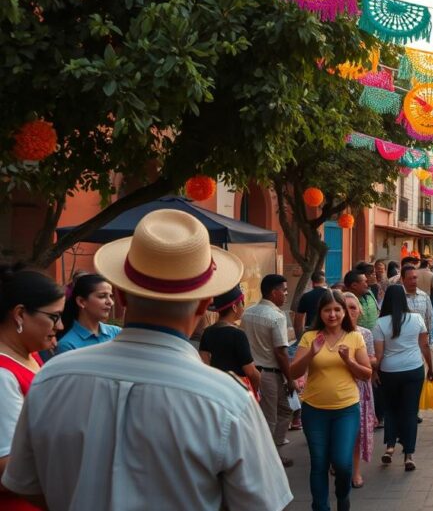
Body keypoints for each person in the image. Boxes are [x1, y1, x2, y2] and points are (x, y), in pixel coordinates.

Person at [2, 209, 291, 510]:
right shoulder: (227, 400)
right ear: (205, 304)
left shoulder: (52, 378)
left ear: (122, 296)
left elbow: (26, 483)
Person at [290, 289, 371, 511]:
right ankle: (320, 507)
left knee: (343, 464)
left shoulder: (355, 337)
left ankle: (343, 498)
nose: (333, 314)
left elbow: (367, 374)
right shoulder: (310, 337)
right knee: (318, 463)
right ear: (321, 312)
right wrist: (310, 354)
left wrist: (349, 360)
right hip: (314, 410)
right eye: (328, 310)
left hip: (346, 410)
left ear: (344, 312)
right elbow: (292, 370)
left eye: (337, 309)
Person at [0, 268, 64, 511]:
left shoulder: (30, 355)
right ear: (19, 314)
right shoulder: (3, 376)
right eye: (54, 317)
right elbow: (7, 468)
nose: (60, 326)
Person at [373, 285, 433, 470]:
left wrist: (374, 372)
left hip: (389, 371)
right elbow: (424, 346)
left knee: (391, 409)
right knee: (409, 411)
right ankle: (409, 454)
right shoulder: (416, 319)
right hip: (413, 369)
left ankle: (390, 446)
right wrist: (431, 368)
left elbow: (379, 354)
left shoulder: (380, 323)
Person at [241, 273, 296, 466]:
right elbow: (281, 352)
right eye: (285, 290)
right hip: (269, 374)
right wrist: (290, 379)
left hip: (251, 370)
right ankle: (269, 457)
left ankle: (271, 450)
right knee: (272, 416)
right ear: (274, 293)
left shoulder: (247, 312)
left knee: (281, 411)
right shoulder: (276, 317)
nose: (286, 294)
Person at [338, 292, 376, 489]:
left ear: (360, 312)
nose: (349, 311)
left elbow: (372, 359)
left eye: (353, 307)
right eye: (345, 307)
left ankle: (356, 471)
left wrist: (357, 360)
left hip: (359, 388)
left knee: (356, 433)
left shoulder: (365, 334)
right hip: (335, 389)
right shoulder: (328, 334)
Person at [199, 285, 261, 397]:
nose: (243, 307)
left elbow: (205, 363)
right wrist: (256, 389)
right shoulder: (238, 335)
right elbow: (250, 372)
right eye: (242, 303)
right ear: (234, 307)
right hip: (237, 391)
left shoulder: (207, 332)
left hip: (217, 389)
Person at [53, 273, 118, 356]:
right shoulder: (67, 345)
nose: (110, 302)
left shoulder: (116, 333)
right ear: (81, 301)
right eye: (102, 296)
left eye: (111, 296)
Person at [402, 264, 433, 347]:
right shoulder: (397, 297)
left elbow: (429, 318)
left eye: (415, 278)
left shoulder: (424, 296)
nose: (413, 281)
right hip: (403, 341)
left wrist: (431, 339)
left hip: (421, 340)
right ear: (402, 279)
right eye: (409, 278)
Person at [295, 271, 330, 339]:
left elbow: (298, 320)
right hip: (328, 330)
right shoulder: (330, 295)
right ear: (324, 281)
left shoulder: (306, 296)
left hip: (310, 331)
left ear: (312, 282)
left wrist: (299, 338)